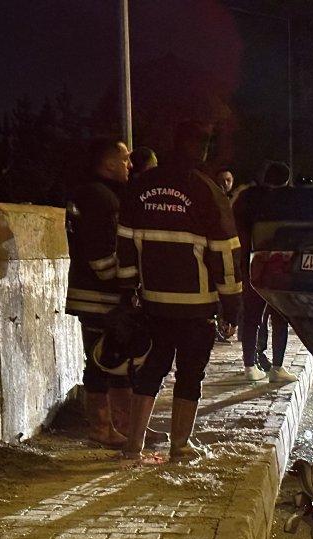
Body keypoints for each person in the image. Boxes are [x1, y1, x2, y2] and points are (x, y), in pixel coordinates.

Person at [116, 121, 243, 460]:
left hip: (153, 302)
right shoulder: (207, 191)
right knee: (190, 374)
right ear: (203, 150)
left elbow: (125, 243)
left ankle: (133, 445)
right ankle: (180, 445)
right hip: (196, 306)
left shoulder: (141, 187)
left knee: (151, 369)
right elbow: (225, 254)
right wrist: (232, 306)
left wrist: (128, 289)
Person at [64, 137, 132, 447]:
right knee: (102, 362)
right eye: (125, 159)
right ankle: (103, 428)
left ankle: (123, 426)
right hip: (100, 296)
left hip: (94, 293)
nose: (130, 165)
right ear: (109, 163)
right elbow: (101, 253)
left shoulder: (91, 194)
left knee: (115, 361)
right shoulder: (100, 198)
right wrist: (124, 282)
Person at [232, 161, 297, 384]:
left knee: (251, 317)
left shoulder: (247, 199)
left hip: (252, 264)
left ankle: (249, 366)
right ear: (286, 180)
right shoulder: (289, 201)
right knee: (280, 318)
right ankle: (277, 368)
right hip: (280, 266)